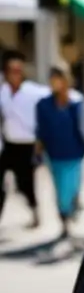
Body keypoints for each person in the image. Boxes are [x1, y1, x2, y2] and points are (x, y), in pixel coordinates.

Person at [35, 63, 84, 239]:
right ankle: (64, 224)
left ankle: (72, 206)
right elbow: (40, 130)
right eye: (52, 80)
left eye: (58, 79)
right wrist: (38, 152)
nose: (55, 83)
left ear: (66, 80)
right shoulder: (43, 104)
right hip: (53, 155)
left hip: (75, 154)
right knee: (59, 191)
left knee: (71, 188)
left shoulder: (77, 102)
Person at [0, 50, 49, 229]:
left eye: (17, 70)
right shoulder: (3, 91)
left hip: (28, 145)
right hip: (8, 143)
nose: (14, 74)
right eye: (10, 70)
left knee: (25, 183)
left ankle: (35, 212)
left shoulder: (34, 91)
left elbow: (51, 102)